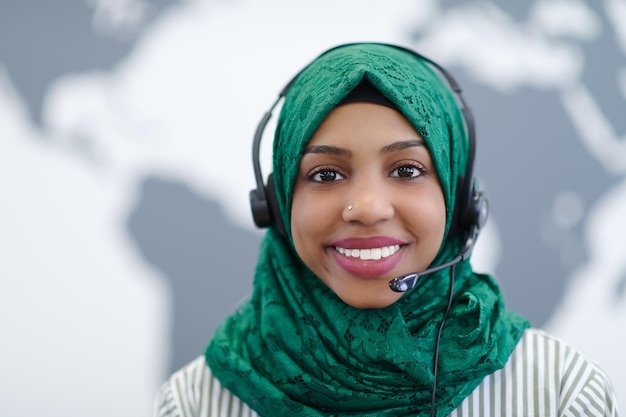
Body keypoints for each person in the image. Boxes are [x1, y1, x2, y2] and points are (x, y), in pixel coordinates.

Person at [153, 43, 620, 416]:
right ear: (275, 205)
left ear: (459, 200)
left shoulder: (560, 392)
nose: (368, 209)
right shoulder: (196, 402)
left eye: (408, 169)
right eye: (326, 175)